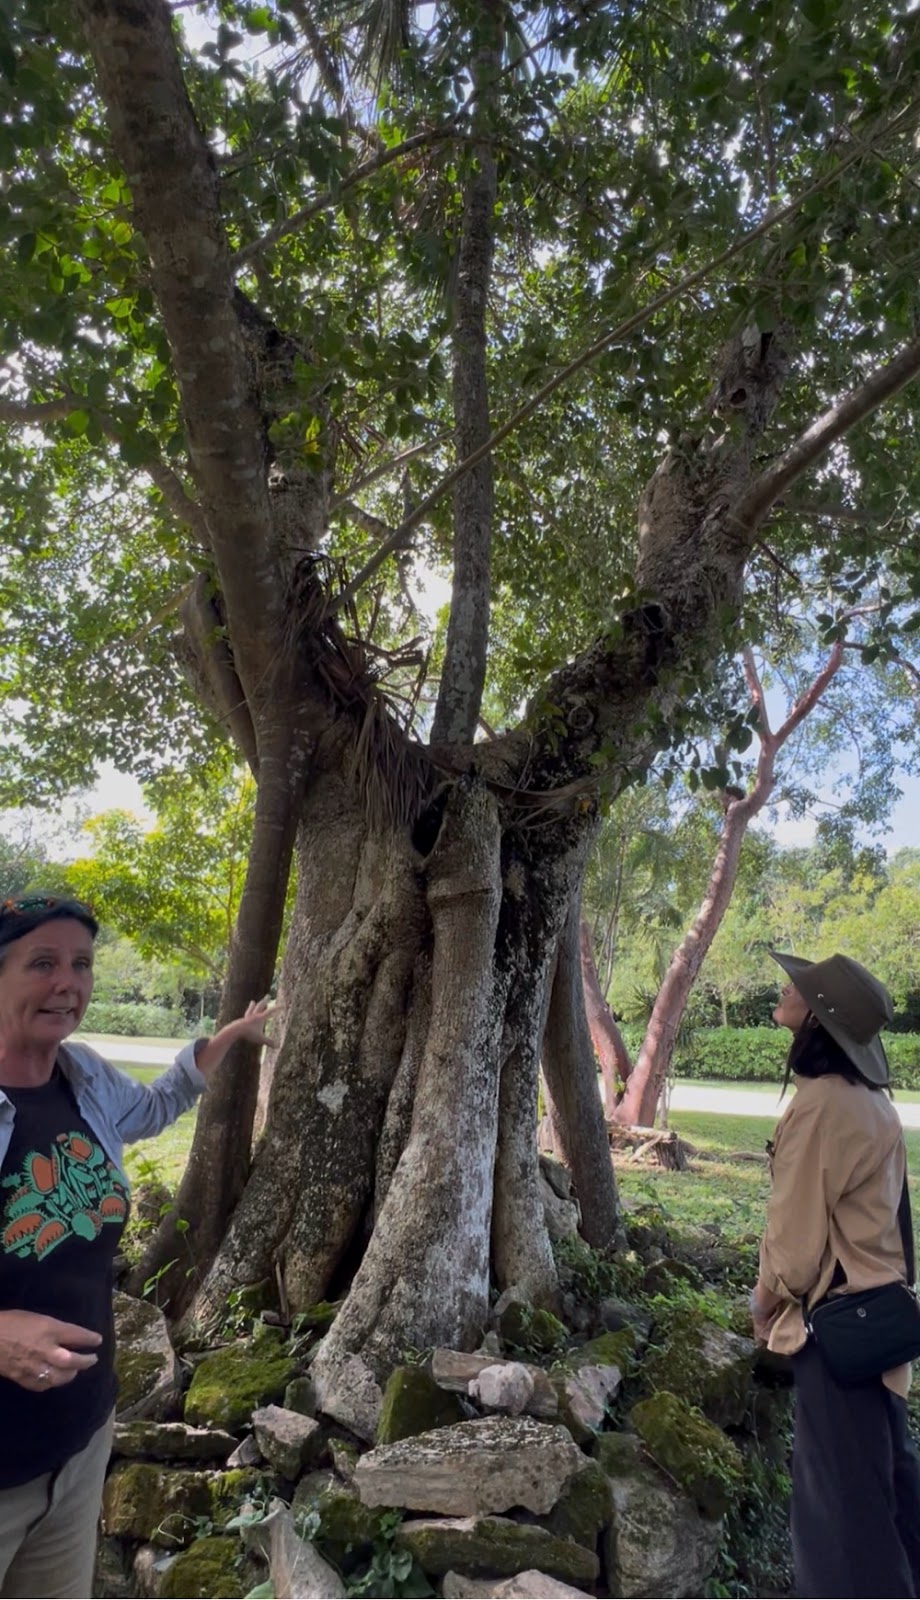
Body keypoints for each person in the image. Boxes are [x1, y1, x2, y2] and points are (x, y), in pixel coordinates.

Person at [0, 894, 276, 1600]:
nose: (69, 983)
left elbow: (154, 1107)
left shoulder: (83, 1077)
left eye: (82, 964)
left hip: (78, 1443)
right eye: (43, 963)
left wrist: (230, 1035)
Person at [750, 949, 920, 1599]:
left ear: (818, 1018)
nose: (787, 989)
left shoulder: (821, 1106)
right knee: (888, 1502)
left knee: (841, 1532)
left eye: (799, 987)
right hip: (878, 1333)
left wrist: (763, 1306)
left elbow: (794, 1251)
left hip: (836, 1334)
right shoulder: (873, 1103)